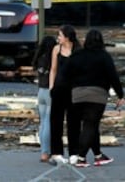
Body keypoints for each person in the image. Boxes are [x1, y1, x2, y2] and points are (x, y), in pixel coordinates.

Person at [61, 29, 124, 167]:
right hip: (97, 94)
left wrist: (70, 89)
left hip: (77, 94)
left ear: (86, 41)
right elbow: (113, 76)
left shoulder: (77, 55)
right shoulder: (104, 56)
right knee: (90, 124)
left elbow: (65, 73)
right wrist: (120, 94)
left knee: (90, 126)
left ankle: (98, 155)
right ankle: (81, 157)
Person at [49, 24, 81, 164]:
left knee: (73, 121)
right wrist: (51, 86)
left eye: (60, 35)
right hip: (59, 89)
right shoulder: (57, 49)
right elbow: (53, 69)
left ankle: (74, 152)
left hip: (74, 90)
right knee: (56, 121)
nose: (58, 38)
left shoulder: (79, 50)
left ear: (67, 37)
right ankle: (56, 152)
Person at [32, 35, 57, 163]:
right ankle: (46, 152)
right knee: (48, 122)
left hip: (41, 91)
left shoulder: (40, 58)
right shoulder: (52, 58)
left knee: (42, 123)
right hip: (50, 92)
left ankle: (43, 150)